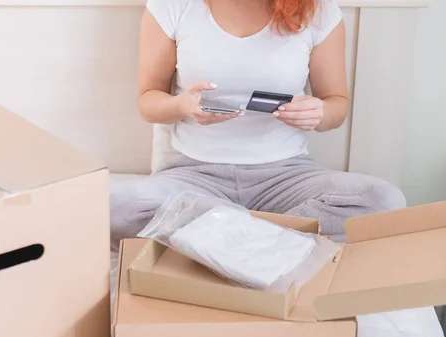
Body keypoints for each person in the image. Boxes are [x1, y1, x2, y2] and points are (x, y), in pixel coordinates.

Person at [110, 0, 406, 252]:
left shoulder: (319, 10)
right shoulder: (171, 6)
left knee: (383, 200)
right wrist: (182, 106)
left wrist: (319, 112)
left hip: (287, 178)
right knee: (118, 207)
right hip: (194, 176)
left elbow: (336, 106)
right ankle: (273, 240)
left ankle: (227, 234)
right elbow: (148, 102)